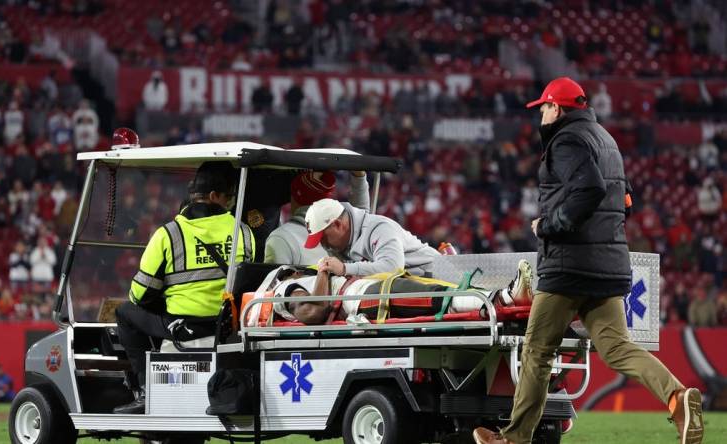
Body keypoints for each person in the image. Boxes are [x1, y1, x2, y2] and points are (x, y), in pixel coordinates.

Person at [473, 77, 703, 444]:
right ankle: (677, 398)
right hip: (608, 264)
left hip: (567, 267)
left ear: (559, 109)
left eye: (545, 107)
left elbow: (591, 189)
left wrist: (550, 225)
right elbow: (626, 201)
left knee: (536, 350)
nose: (542, 115)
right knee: (617, 348)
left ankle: (513, 438)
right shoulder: (607, 141)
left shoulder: (567, 141)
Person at [113, 162, 256, 414]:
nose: (231, 203)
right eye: (230, 197)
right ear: (214, 197)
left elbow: (139, 294)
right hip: (227, 327)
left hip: (184, 330)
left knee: (125, 313)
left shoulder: (168, 234)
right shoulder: (244, 233)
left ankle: (145, 391)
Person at [261, 260, 533, 325]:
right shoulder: (284, 290)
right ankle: (503, 299)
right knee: (432, 298)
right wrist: (322, 272)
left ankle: (504, 296)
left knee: (436, 291)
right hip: (361, 300)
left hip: (364, 292)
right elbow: (315, 311)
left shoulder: (299, 281)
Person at [304, 198, 440, 277]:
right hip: (417, 283)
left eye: (323, 238)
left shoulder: (379, 228)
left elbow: (393, 267)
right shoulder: (341, 242)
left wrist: (345, 269)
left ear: (338, 225)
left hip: (441, 274)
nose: (324, 244)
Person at [264, 170, 369, 266]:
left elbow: (274, 285)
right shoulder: (342, 232)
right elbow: (361, 216)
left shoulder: (281, 238)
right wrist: (359, 177)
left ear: (294, 198)